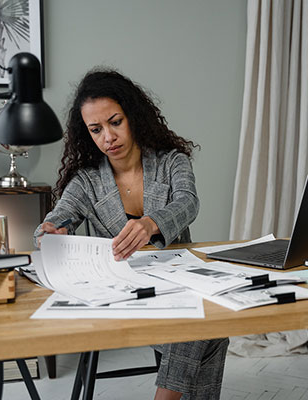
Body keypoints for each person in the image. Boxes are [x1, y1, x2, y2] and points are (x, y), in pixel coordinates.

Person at [34, 68, 229, 400]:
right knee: (206, 329)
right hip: (120, 292)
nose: (107, 137)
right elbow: (58, 216)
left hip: (177, 284)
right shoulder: (86, 181)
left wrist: (151, 223)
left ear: (133, 117)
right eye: (96, 130)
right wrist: (49, 230)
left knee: (207, 325)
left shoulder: (172, 162)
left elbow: (188, 203)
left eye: (115, 122)